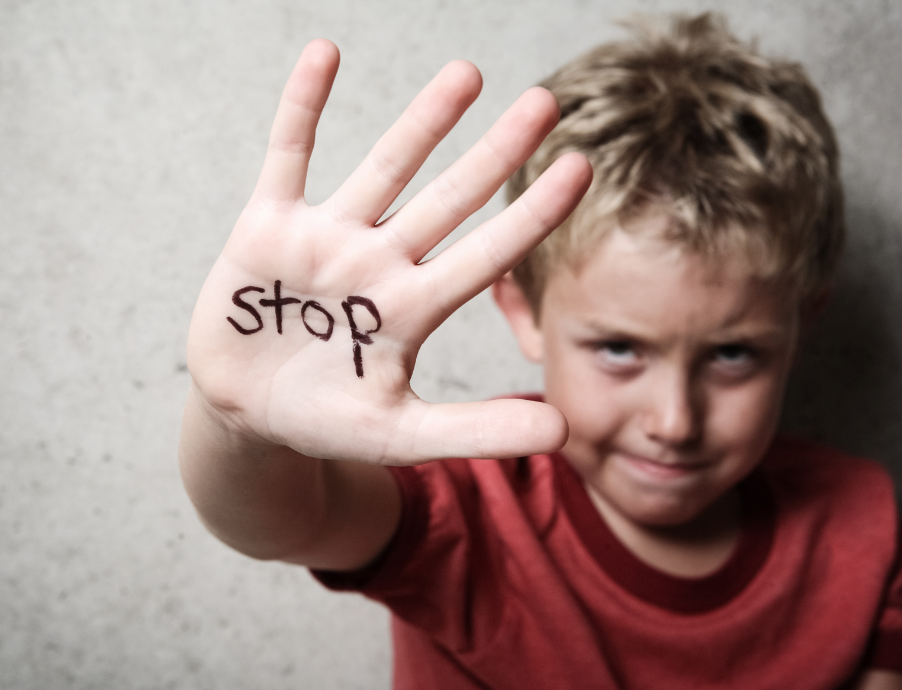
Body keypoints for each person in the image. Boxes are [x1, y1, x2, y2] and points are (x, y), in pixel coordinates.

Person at [179, 13, 902, 689]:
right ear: (523, 312)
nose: (675, 421)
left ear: (802, 327)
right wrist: (236, 422)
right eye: (619, 348)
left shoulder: (864, 526)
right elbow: (287, 518)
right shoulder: (470, 506)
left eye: (734, 355)